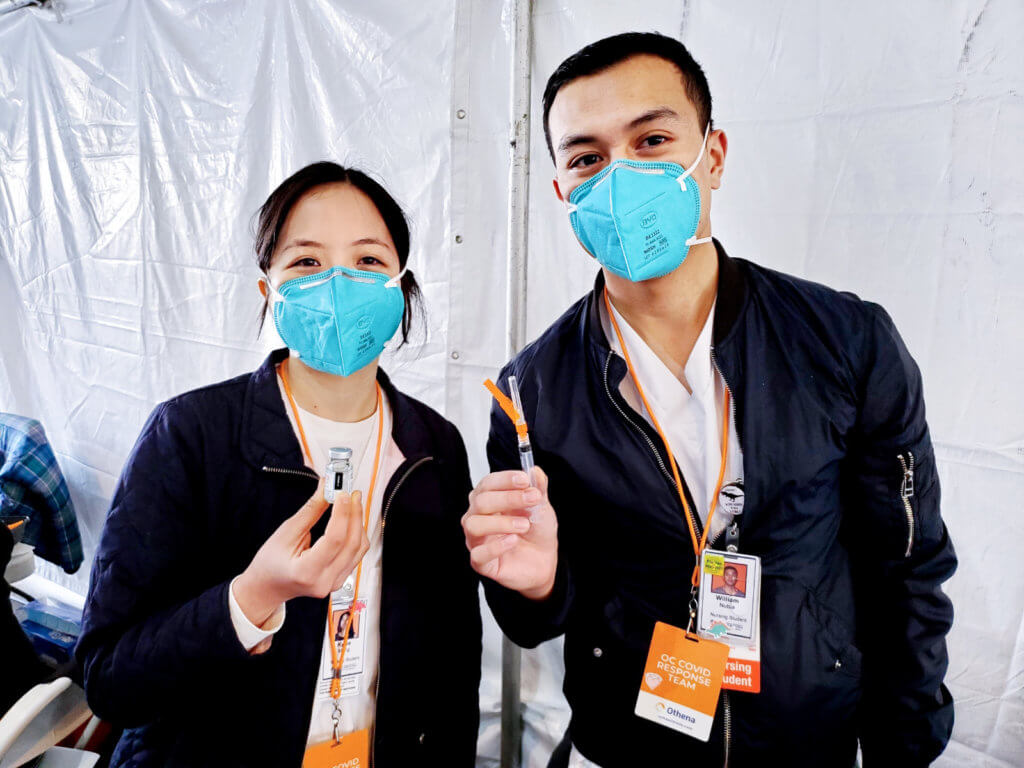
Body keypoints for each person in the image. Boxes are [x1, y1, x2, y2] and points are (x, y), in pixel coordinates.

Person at [462, 32, 956, 767]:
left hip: (807, 741)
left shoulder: (846, 341)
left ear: (713, 155)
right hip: (625, 744)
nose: (621, 176)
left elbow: (907, 569)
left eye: (653, 139)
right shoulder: (530, 391)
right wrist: (536, 586)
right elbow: (541, 619)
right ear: (564, 190)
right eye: (588, 158)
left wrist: (904, 749)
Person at [77, 162, 481, 767]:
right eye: (307, 263)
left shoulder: (435, 446)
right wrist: (250, 598)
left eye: (368, 261)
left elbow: (454, 664)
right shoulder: (191, 435)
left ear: (401, 287)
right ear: (268, 290)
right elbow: (109, 677)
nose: (339, 285)